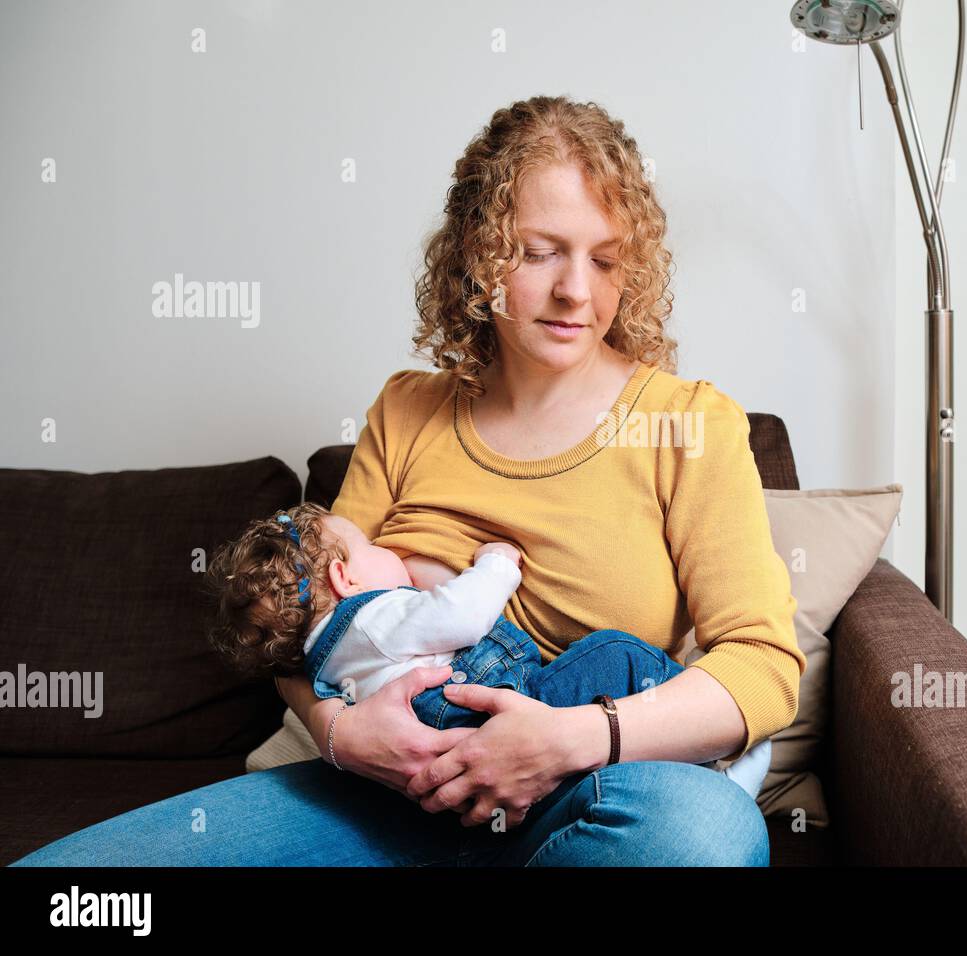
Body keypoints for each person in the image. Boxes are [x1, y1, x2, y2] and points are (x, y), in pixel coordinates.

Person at [9, 94, 804, 867]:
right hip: (386, 795)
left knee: (703, 836)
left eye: (605, 258)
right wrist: (342, 736)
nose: (577, 291)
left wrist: (571, 738)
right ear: (478, 251)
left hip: (586, 788)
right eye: (539, 252)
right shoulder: (408, 408)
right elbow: (306, 616)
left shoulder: (687, 422)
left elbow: (762, 667)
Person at [201, 503, 773, 798]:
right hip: (510, 702)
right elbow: (459, 613)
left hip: (453, 767)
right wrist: (496, 562)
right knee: (616, 654)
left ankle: (692, 758)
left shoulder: (323, 658)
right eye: (373, 544)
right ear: (347, 577)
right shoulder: (375, 620)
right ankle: (714, 746)